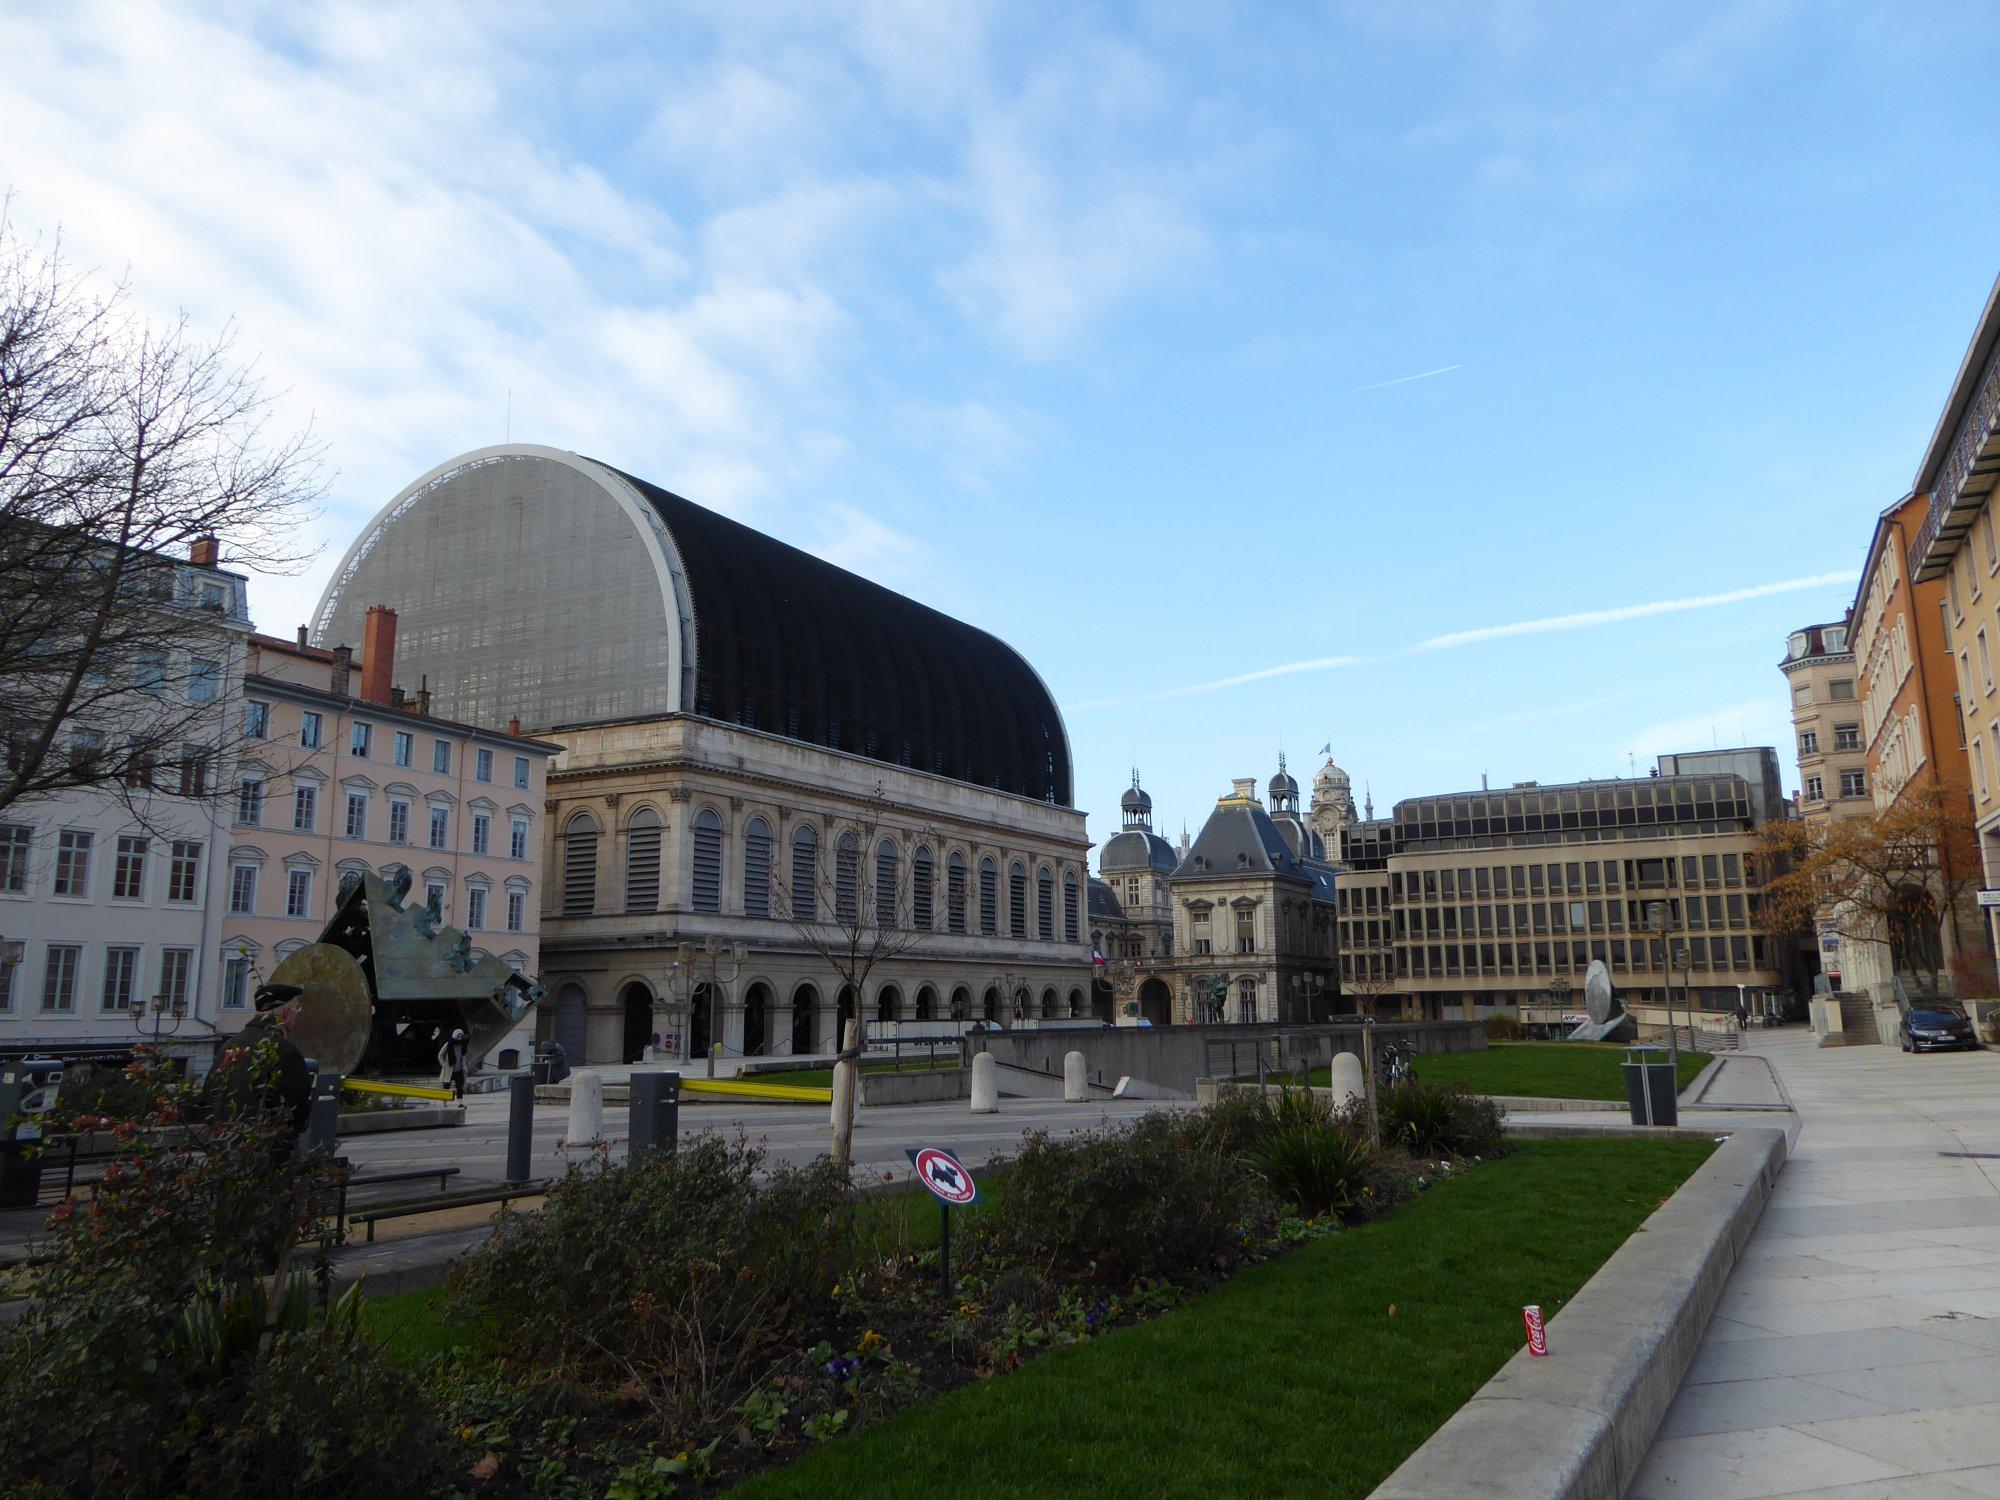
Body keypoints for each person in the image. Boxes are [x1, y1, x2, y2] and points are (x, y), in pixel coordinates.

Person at [201, 982, 313, 1152]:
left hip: (222, 1148)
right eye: (297, 1009)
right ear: (287, 1011)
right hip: (264, 1151)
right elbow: (297, 1107)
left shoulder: (230, 1045)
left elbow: (208, 1095)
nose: (297, 1015)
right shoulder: (284, 1050)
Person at [438, 1027, 469, 1101]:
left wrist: (464, 1066)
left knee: (460, 1087)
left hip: (459, 1070)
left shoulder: (463, 1044)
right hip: (449, 1070)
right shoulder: (449, 1044)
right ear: (455, 1035)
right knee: (446, 1087)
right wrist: (443, 1064)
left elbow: (464, 1056)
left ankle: (460, 1103)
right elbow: (440, 1055)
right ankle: (444, 1103)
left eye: (462, 1036)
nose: (461, 1038)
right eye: (459, 1036)